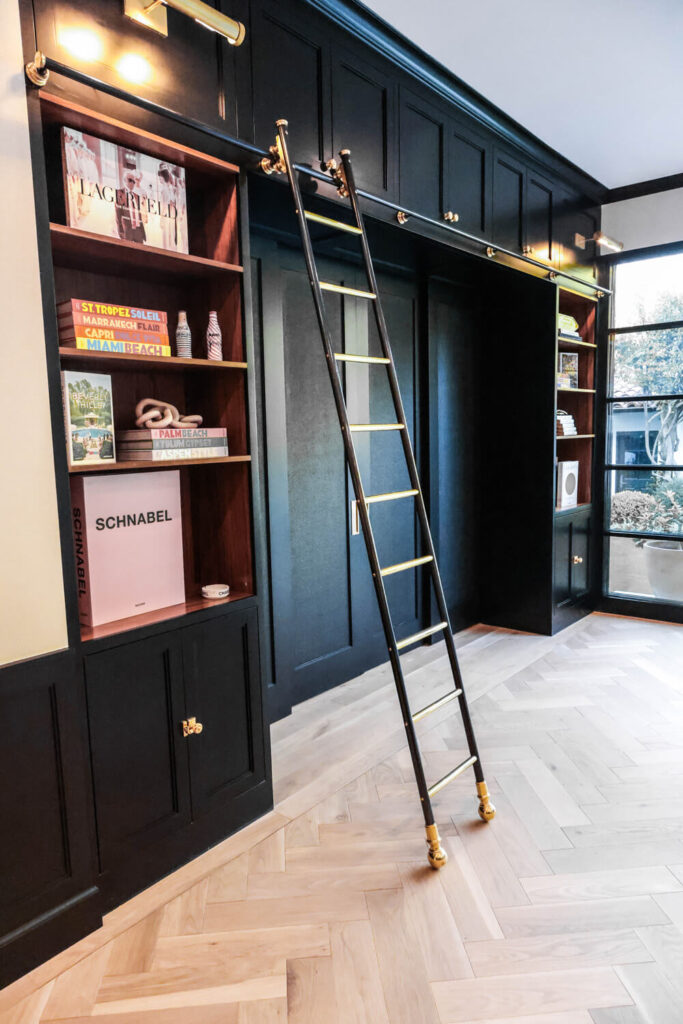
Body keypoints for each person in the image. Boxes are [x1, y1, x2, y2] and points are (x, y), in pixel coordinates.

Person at [116, 169, 146, 243]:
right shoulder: (120, 193)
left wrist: (142, 232)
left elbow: (139, 213)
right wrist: (121, 232)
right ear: (124, 180)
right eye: (130, 180)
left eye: (133, 181)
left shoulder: (136, 196)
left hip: (138, 230)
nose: (132, 183)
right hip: (127, 230)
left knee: (141, 252)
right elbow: (118, 214)